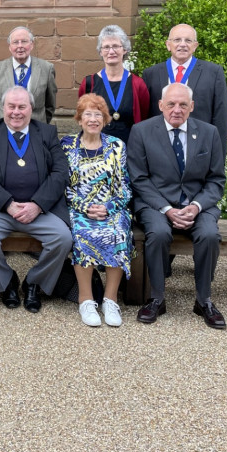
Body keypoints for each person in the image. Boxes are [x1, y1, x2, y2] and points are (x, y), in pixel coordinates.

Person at [127, 82, 227, 329]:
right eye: (171, 104)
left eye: (183, 104)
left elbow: (216, 180)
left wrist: (195, 206)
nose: (176, 109)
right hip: (155, 204)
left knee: (209, 235)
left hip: (197, 204)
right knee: (159, 233)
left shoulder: (209, 132)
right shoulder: (141, 131)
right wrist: (167, 210)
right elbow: (138, 178)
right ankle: (156, 298)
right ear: (161, 105)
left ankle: (204, 300)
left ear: (192, 106)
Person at [0, 86, 71, 314]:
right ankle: (7, 282)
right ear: (2, 108)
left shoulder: (46, 132)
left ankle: (34, 282)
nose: (16, 112)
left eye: (22, 107)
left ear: (31, 108)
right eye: (11, 106)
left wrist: (37, 205)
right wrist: (7, 203)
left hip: (40, 210)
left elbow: (60, 172)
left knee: (63, 238)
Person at [60, 93, 132, 327]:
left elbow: (125, 188)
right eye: (87, 114)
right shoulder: (67, 146)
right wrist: (84, 207)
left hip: (111, 208)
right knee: (82, 233)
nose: (93, 119)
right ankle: (86, 299)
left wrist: (109, 207)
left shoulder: (117, 146)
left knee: (119, 232)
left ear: (105, 119)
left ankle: (110, 300)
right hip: (80, 208)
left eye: (98, 115)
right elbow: (63, 187)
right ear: (79, 119)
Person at [141, 23, 227, 147]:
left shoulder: (213, 73)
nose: (182, 44)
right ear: (168, 45)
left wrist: (218, 156)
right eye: (177, 40)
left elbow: (221, 116)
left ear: (195, 46)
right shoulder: (151, 74)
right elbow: (145, 116)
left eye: (188, 40)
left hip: (199, 146)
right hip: (160, 146)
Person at [77, 25, 150, 144]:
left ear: (125, 49)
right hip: (98, 150)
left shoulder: (138, 84)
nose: (111, 51)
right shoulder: (89, 83)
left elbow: (144, 116)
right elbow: (82, 115)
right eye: (106, 47)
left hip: (130, 148)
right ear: (100, 51)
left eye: (116, 46)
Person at [0, 26, 57, 124]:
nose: (20, 46)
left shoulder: (47, 69)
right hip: (4, 128)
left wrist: (40, 125)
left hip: (36, 128)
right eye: (15, 42)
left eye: (24, 41)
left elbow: (50, 105)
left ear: (31, 45)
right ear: (10, 47)